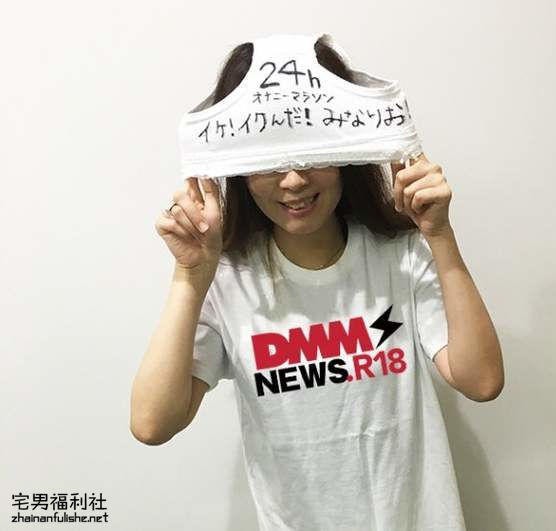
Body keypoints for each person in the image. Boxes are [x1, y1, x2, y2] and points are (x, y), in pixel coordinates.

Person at [130, 39, 504, 531]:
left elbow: (481, 380)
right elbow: (152, 423)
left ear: (345, 150)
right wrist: (189, 278)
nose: (292, 180)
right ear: (238, 168)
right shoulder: (227, 280)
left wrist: (440, 235)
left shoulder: (401, 254)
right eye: (268, 159)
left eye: (311, 153)